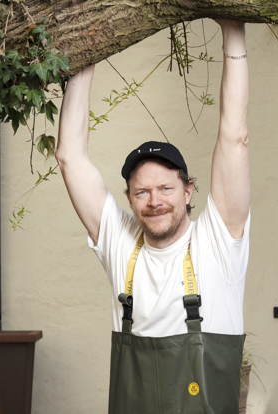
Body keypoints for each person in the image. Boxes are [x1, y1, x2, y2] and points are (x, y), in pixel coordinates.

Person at [55, 19, 250, 414]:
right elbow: (69, 157)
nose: (154, 201)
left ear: (188, 191)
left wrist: (233, 31)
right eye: (142, 192)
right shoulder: (120, 241)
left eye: (165, 189)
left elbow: (235, 139)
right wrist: (85, 50)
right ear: (129, 199)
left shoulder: (218, 240)